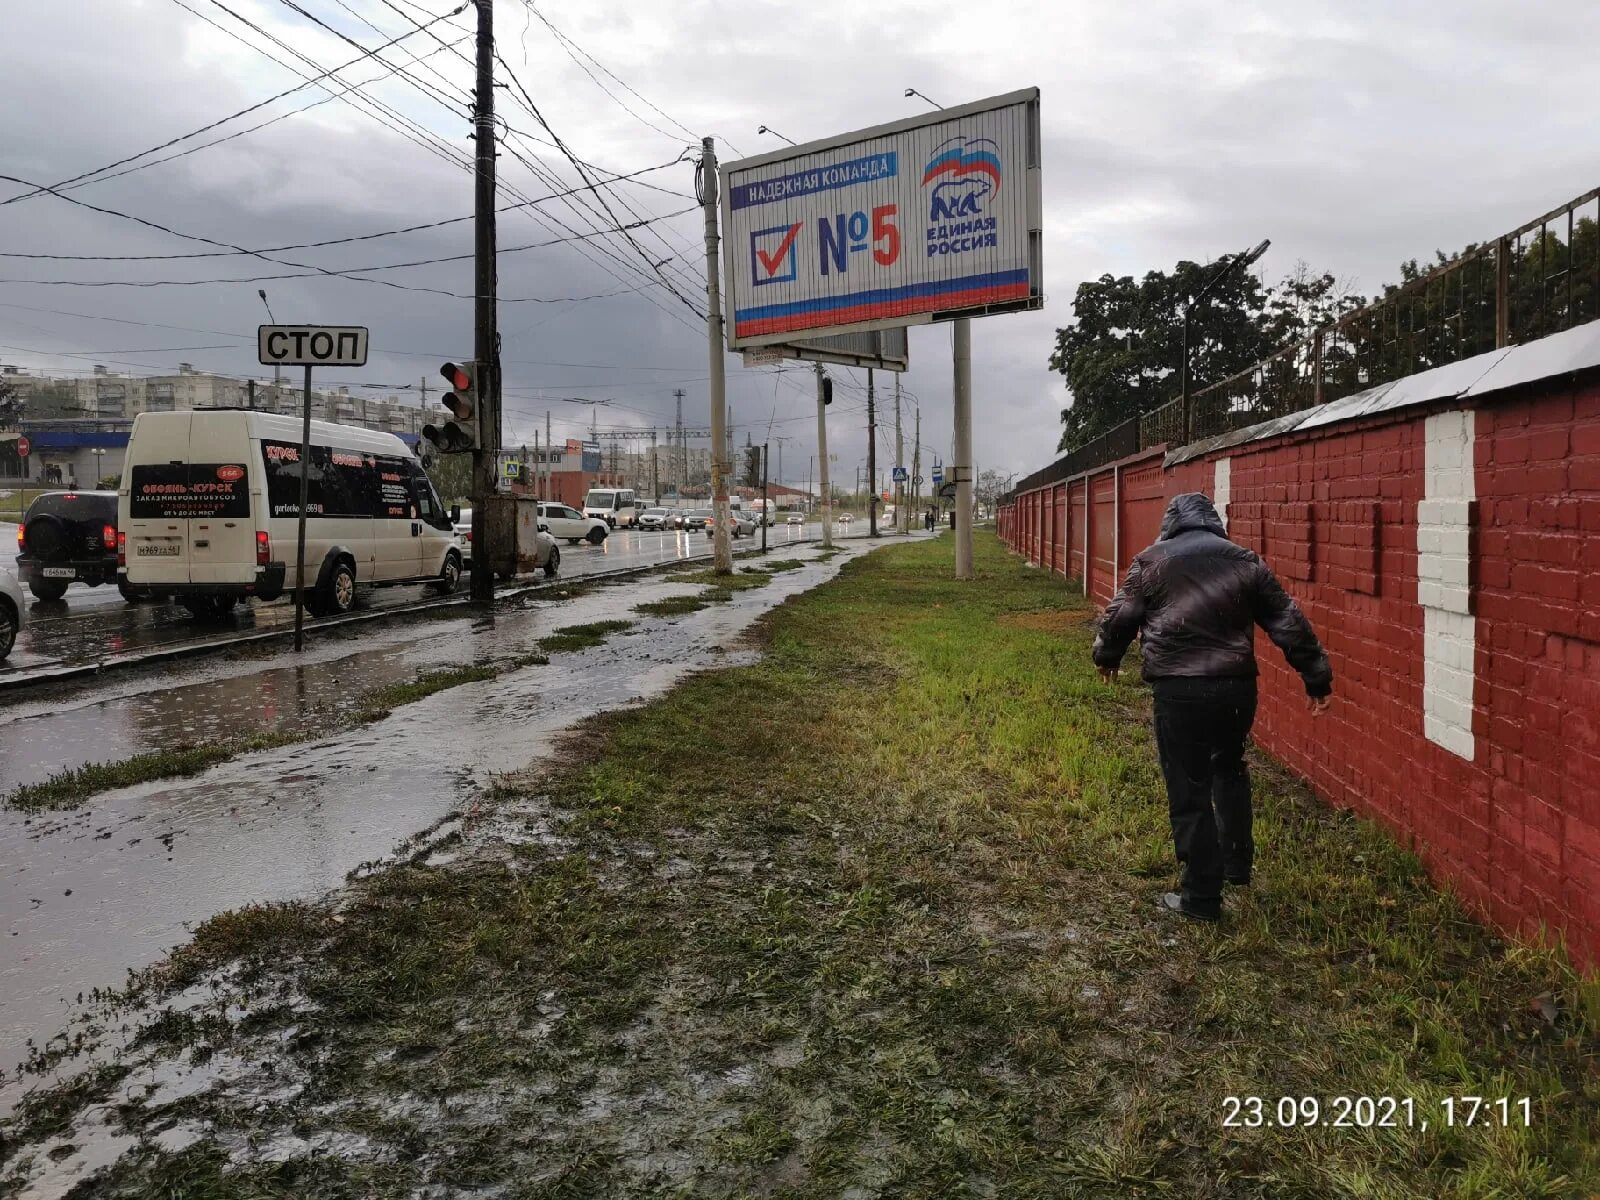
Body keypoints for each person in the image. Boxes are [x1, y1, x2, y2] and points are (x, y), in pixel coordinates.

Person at [1092, 493, 1332, 923]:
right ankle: (1237, 866)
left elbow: (1120, 616)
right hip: (1236, 690)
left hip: (1179, 690)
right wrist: (1315, 675)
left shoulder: (1153, 561)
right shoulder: (1244, 560)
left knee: (1189, 788)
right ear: (1212, 522)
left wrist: (1107, 656)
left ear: (1171, 523)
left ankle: (1202, 899)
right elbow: (1286, 619)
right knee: (1230, 767)